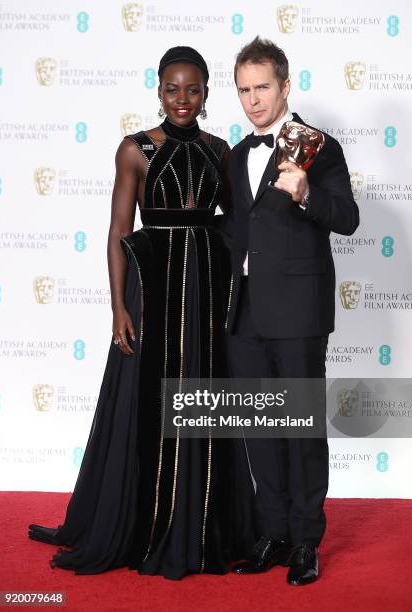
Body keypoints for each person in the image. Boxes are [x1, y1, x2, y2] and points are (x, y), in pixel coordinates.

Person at [29, 46, 252, 580]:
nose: (182, 99)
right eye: (172, 89)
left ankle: (200, 524)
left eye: (193, 89)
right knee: (143, 399)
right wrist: (116, 308)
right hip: (150, 292)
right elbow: (117, 232)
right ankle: (138, 524)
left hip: (202, 292)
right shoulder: (134, 150)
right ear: (158, 91)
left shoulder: (221, 150)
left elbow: (239, 223)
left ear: (206, 92)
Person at [225, 37, 359, 585]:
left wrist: (307, 194)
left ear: (285, 85)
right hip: (246, 313)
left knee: (300, 428)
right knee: (260, 427)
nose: (253, 101)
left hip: (299, 312)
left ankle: (306, 541)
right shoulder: (236, 155)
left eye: (262, 88)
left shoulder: (318, 147)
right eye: (243, 91)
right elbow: (236, 230)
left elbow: (347, 218)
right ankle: (274, 532)